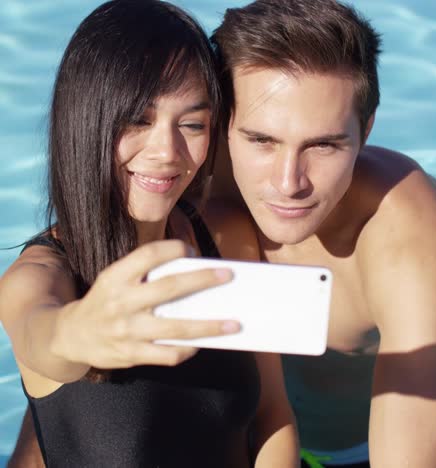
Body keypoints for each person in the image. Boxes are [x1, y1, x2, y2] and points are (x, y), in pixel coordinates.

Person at [0, 1, 298, 467]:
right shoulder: (38, 278)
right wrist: (79, 334)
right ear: (87, 119)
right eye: (137, 118)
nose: (167, 151)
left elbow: (271, 416)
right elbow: (42, 335)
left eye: (193, 124)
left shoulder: (224, 236)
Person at [210, 0, 436, 467]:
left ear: (365, 132)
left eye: (323, 145)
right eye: (261, 141)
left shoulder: (400, 226)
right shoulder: (189, 191)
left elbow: (417, 404)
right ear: (220, 124)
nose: (289, 183)